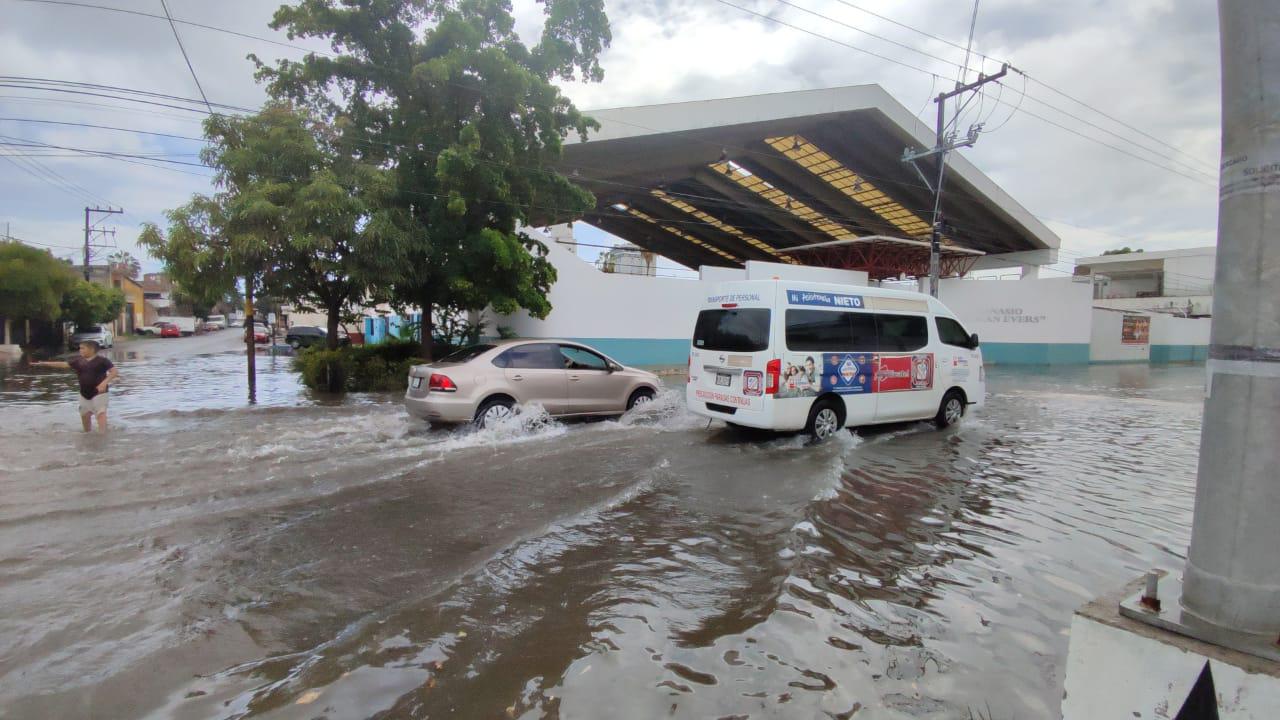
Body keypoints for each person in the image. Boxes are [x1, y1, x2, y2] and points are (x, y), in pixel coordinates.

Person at [31, 340, 119, 432]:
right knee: (84, 415)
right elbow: (64, 365)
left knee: (101, 413)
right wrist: (45, 363)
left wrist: (104, 383)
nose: (80, 350)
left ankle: (103, 435)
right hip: (84, 393)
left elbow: (114, 372)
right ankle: (87, 434)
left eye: (82, 348)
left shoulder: (103, 361)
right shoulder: (78, 361)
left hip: (100, 392)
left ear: (91, 349)